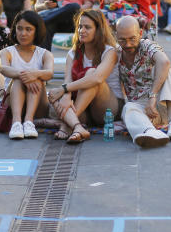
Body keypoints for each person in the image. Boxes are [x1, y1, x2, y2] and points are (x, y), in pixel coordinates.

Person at [45, 9, 121, 143]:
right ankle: (77, 126)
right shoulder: (73, 53)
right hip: (84, 109)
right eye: (80, 26)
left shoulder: (110, 51)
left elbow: (97, 78)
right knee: (53, 94)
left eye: (87, 27)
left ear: (98, 30)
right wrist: (66, 97)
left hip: (107, 109)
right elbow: (67, 81)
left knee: (91, 74)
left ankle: (66, 125)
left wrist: (64, 89)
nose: (82, 30)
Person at [115, 16, 171, 147]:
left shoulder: (147, 45)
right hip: (143, 110)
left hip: (164, 101)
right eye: (122, 40)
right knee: (128, 107)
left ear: (140, 33)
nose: (128, 44)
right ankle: (150, 132)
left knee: (167, 70)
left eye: (132, 39)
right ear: (116, 35)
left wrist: (152, 96)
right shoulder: (115, 53)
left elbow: (164, 62)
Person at [0, 11, 53, 140]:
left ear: (37, 31)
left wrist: (34, 74)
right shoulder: (6, 52)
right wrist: (25, 76)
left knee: (38, 79)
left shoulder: (45, 54)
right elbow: (3, 68)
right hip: (11, 104)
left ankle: (29, 122)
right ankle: (16, 123)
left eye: (28, 29)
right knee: (18, 80)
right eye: (19, 28)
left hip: (37, 106)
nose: (23, 33)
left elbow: (49, 73)